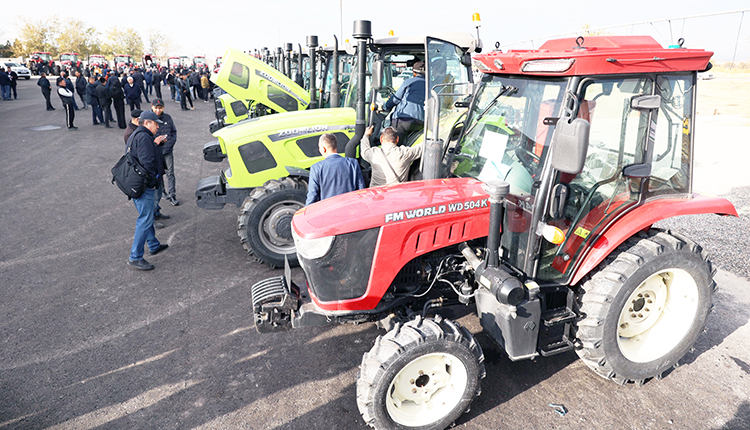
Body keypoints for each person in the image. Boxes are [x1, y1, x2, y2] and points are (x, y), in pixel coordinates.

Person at [126, 110, 169, 270]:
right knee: (144, 220)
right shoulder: (144, 137)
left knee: (147, 217)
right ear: (147, 123)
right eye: (156, 124)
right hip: (144, 186)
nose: (158, 127)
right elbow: (147, 163)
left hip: (136, 185)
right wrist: (152, 182)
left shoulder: (136, 135)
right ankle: (135, 257)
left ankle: (153, 245)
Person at [305, 134, 365, 206]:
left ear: (324, 149)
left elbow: (312, 195)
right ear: (335, 146)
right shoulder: (353, 163)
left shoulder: (316, 168)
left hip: (328, 211)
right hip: (350, 209)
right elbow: (361, 190)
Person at [383, 60, 426, 145]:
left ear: (414, 72)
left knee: (395, 144)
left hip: (403, 120)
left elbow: (395, 99)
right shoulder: (430, 84)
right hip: (421, 122)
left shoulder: (408, 82)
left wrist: (384, 107)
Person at [151, 98, 179, 206]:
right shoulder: (149, 119)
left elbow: (173, 132)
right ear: (152, 107)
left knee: (170, 173)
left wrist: (170, 143)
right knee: (159, 173)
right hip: (156, 152)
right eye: (156, 108)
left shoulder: (167, 118)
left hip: (167, 150)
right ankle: (162, 191)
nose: (158, 110)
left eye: (160, 108)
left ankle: (172, 195)